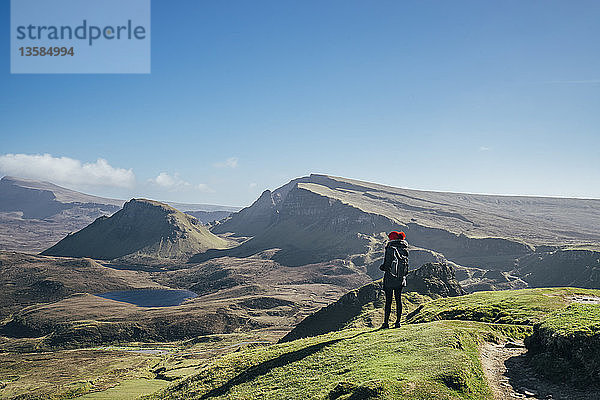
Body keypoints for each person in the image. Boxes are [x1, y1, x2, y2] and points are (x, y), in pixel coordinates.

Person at [379, 231, 409, 328]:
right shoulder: (404, 248)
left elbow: (387, 264)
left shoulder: (390, 248)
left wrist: (382, 267)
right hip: (400, 278)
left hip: (390, 278)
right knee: (398, 299)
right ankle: (398, 322)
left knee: (388, 301)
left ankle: (386, 323)